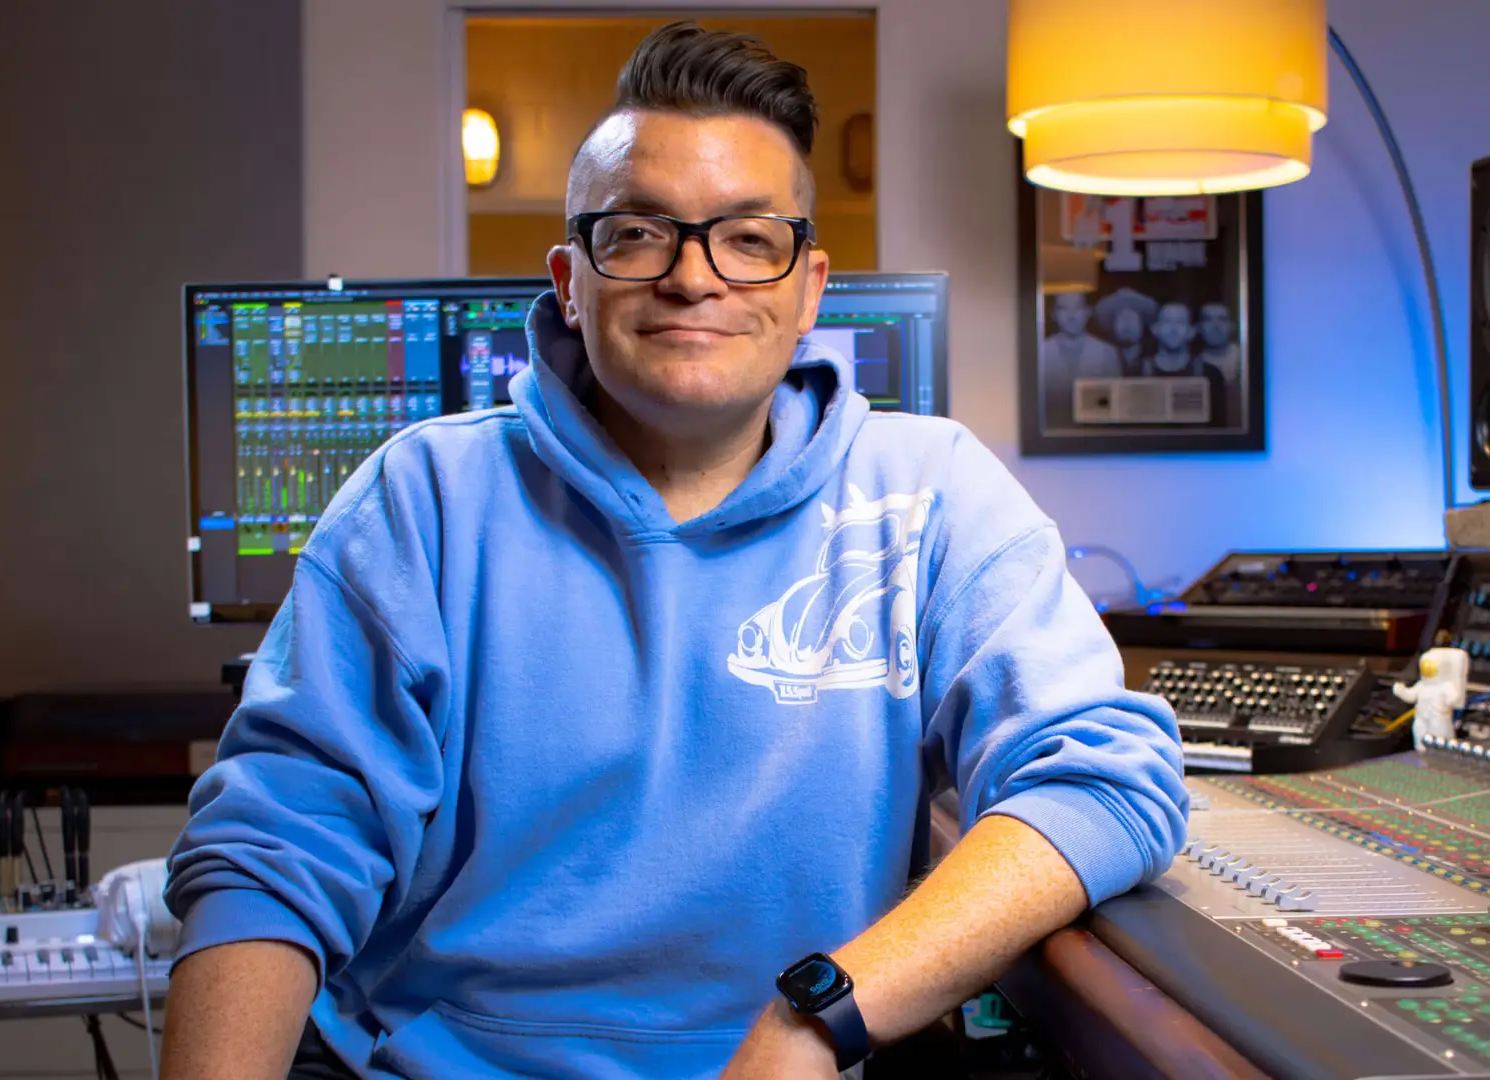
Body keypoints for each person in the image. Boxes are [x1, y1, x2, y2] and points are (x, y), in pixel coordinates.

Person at [158, 22, 1186, 1080]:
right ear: (569, 278)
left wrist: (814, 1019)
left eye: (748, 238)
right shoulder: (421, 500)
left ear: (810, 288)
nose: (696, 278)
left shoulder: (932, 494)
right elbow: (275, 851)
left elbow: (1104, 782)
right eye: (641, 233)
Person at [1039, 291, 1121, 426]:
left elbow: (1115, 406)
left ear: (1088, 312)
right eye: (1063, 308)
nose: (1072, 316)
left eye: (1078, 307)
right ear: (1053, 314)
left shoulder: (1107, 352)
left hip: (1095, 432)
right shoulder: (1041, 351)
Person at [1139, 302, 1228, 426]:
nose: (1173, 329)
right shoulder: (1138, 372)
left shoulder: (1210, 374)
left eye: (1180, 322)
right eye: (1167, 322)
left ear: (1191, 331)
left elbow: (1219, 428)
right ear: (1155, 329)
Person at [1092, 287, 1158, 378]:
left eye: (1132, 318)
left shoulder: (1155, 363)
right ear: (1113, 325)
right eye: (1122, 318)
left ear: (1141, 324)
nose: (1127, 325)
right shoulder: (1100, 363)